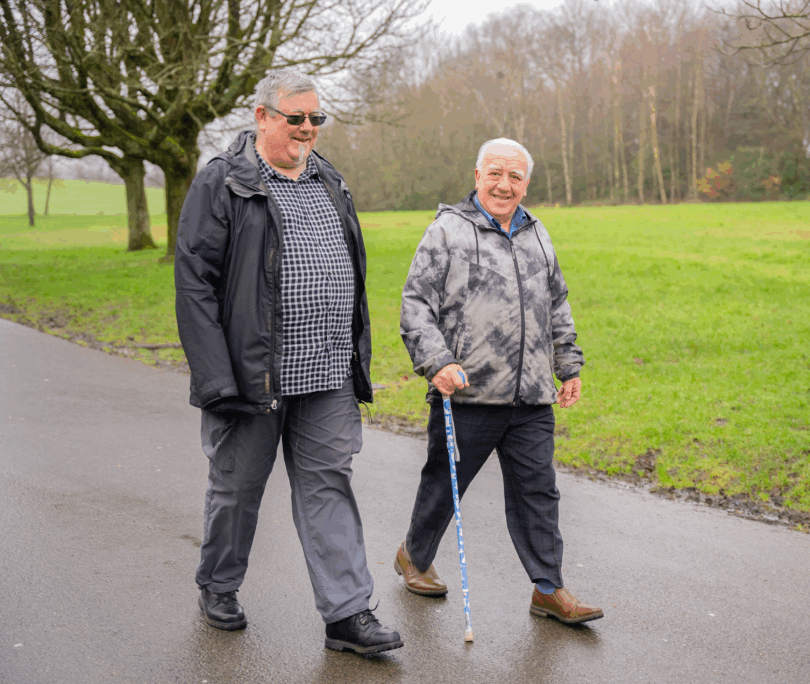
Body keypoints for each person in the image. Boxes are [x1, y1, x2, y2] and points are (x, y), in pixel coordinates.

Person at [174, 69, 402, 655]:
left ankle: (348, 615)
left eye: (315, 119)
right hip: (254, 375)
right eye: (294, 117)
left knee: (329, 486)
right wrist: (216, 378)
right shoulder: (224, 182)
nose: (306, 128)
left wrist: (355, 357)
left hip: (326, 374)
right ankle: (219, 584)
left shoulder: (331, 180)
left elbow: (349, 270)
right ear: (261, 116)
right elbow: (195, 283)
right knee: (237, 489)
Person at [394, 138, 603, 625]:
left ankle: (548, 588)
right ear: (477, 175)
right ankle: (415, 556)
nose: (504, 184)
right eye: (495, 173)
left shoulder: (537, 232)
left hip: (530, 395)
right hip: (467, 391)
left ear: (526, 183)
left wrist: (567, 364)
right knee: (445, 485)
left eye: (514, 176)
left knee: (539, 492)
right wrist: (437, 360)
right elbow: (415, 305)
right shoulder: (447, 231)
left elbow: (558, 302)